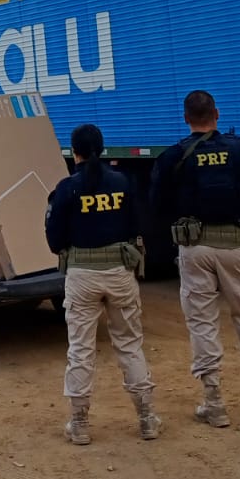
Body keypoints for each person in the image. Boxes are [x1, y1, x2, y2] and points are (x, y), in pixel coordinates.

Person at [150, 90, 240, 428]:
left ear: (186, 118)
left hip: (193, 247)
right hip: (234, 244)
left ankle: (213, 402)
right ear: (216, 113)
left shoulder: (173, 156)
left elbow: (157, 203)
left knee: (201, 322)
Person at [44, 123, 160, 445]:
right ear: (103, 149)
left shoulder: (66, 189)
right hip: (120, 273)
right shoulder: (123, 182)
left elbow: (54, 239)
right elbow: (138, 225)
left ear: (74, 152)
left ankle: (79, 424)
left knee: (81, 349)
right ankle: (147, 418)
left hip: (81, 277)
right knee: (129, 344)